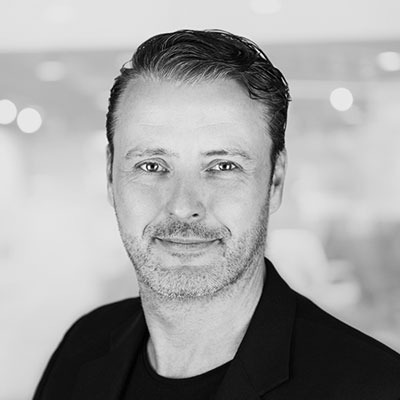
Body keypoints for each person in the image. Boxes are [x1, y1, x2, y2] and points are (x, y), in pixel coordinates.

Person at [33, 29, 400, 400]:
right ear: (111, 178)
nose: (183, 206)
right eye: (151, 165)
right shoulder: (82, 349)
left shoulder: (376, 387)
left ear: (275, 181)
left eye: (223, 166)